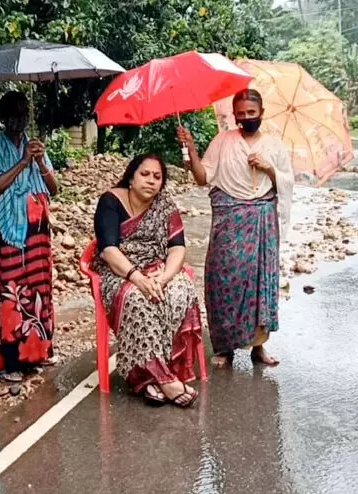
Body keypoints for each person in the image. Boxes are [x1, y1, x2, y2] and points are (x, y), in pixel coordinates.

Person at [177, 88, 294, 368]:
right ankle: (225, 346)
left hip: (262, 219)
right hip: (228, 219)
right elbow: (203, 177)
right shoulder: (223, 141)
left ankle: (259, 347)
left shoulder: (274, 145)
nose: (246, 118)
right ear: (234, 115)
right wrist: (191, 149)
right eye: (240, 114)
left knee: (259, 282)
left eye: (251, 113)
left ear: (261, 113)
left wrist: (268, 168)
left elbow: (287, 182)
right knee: (223, 279)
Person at [92, 153, 203, 407]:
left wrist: (163, 278)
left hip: (158, 269)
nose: (151, 181)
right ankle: (162, 379)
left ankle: (154, 377)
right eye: (145, 174)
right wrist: (137, 278)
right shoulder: (110, 201)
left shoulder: (164, 205)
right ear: (131, 177)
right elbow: (108, 250)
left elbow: (177, 248)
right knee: (137, 299)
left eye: (157, 177)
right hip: (120, 271)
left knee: (179, 291)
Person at [0, 91, 59, 382]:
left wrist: (39, 162)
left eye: (23, 114)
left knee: (39, 288)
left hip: (38, 228)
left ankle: (37, 353)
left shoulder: (34, 145)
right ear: (3, 117)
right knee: (12, 289)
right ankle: (11, 360)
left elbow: (54, 188)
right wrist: (23, 162)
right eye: (13, 115)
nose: (19, 120)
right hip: (11, 230)